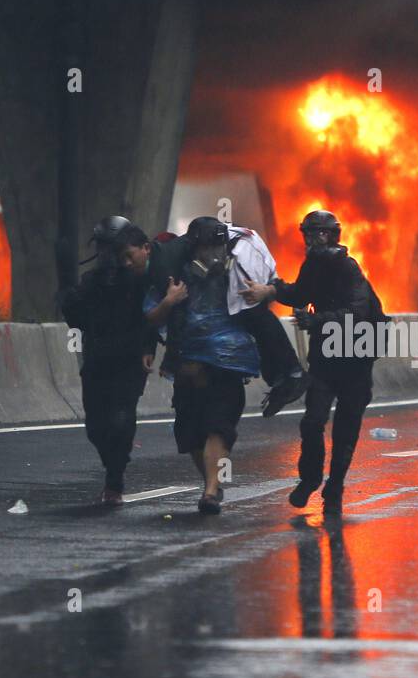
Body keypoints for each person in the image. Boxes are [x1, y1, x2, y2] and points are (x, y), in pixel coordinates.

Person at [240, 209, 387, 517]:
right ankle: (309, 480)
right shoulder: (314, 265)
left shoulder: (349, 268)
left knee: (345, 430)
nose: (311, 240)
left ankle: (335, 489)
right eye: (307, 234)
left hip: (356, 357)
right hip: (326, 358)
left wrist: (318, 319)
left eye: (318, 234)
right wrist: (273, 288)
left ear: (332, 236)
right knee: (312, 421)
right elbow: (300, 293)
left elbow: (357, 313)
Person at [149, 217, 259, 515]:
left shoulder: (236, 275)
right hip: (188, 366)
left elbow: (259, 312)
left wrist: (261, 292)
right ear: (193, 248)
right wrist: (170, 302)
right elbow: (151, 319)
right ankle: (211, 481)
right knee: (191, 434)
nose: (214, 255)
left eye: (218, 248)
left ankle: (211, 491)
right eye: (207, 248)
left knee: (218, 426)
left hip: (227, 367)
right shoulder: (175, 278)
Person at [144, 223, 308, 417]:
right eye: (203, 250)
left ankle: (292, 373)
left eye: (213, 249)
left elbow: (260, 296)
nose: (209, 255)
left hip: (253, 276)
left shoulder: (244, 253)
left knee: (250, 311)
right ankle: (281, 379)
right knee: (247, 315)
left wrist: (264, 291)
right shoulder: (177, 257)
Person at [58, 216, 159, 505]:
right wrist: (67, 293)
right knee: (95, 426)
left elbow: (152, 316)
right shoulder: (93, 281)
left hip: (129, 361)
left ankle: (115, 477)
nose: (109, 256)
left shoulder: (140, 279)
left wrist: (147, 347)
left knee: (121, 418)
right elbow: (77, 318)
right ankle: (112, 464)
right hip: (98, 360)